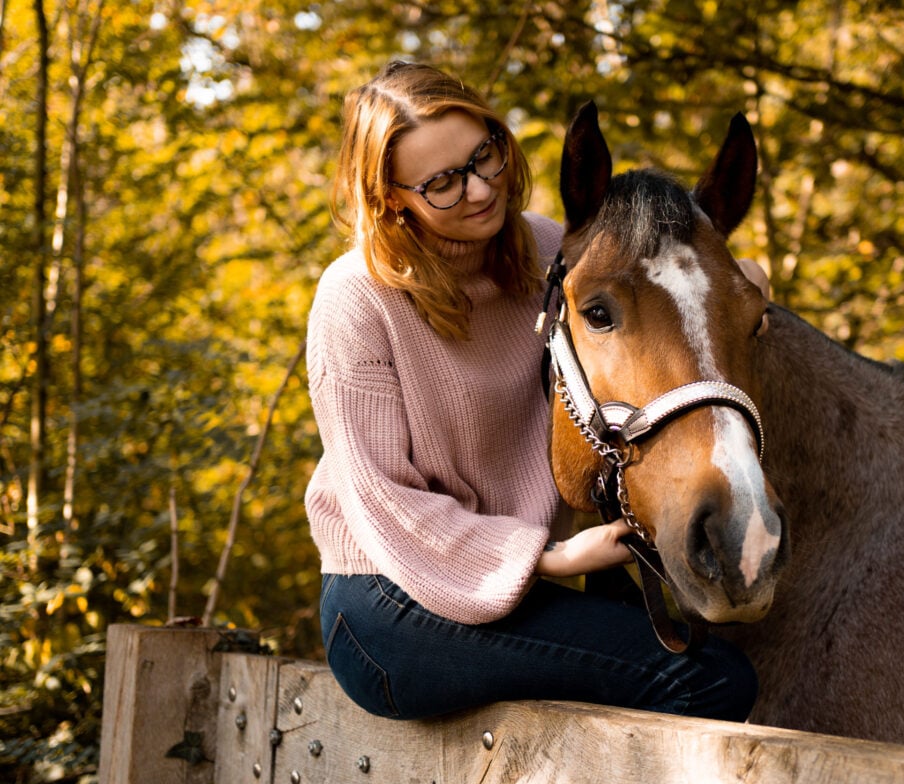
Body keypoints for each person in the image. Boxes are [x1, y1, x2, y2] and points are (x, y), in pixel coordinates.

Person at [305, 59, 758, 722]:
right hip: (389, 598)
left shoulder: (551, 251)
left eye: (484, 156)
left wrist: (745, 279)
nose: (480, 190)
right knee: (710, 681)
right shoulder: (354, 300)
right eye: (442, 183)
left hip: (510, 589)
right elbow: (384, 502)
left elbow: (666, 292)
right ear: (391, 198)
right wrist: (551, 556)